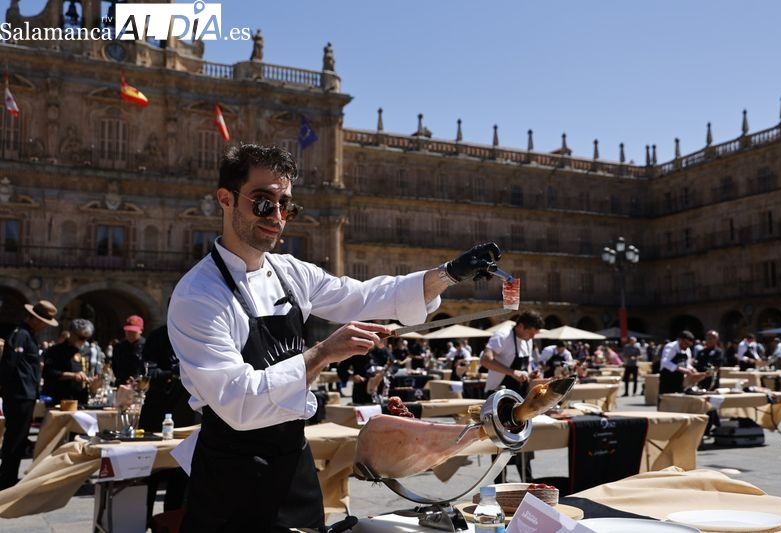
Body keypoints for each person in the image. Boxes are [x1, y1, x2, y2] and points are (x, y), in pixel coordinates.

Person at [167, 143, 504, 531]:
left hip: (294, 465)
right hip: (231, 479)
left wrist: (448, 274)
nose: (276, 216)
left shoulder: (291, 273)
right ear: (226, 199)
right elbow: (238, 402)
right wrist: (322, 353)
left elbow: (364, 296)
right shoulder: (198, 295)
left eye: (285, 205)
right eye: (262, 202)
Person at [138, 323, 200, 529]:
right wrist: (171, 373)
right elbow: (147, 371)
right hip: (157, 414)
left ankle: (171, 524)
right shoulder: (158, 337)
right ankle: (143, 520)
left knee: (180, 477)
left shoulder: (199, 332)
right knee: (150, 474)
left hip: (187, 415)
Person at [0, 300, 60, 489]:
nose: (44, 326)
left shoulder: (28, 335)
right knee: (14, 438)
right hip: (19, 394)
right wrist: (6, 388)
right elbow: (10, 365)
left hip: (25, 393)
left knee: (18, 437)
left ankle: (8, 476)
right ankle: (6, 479)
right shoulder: (21, 335)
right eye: (43, 321)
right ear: (35, 319)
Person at [479, 310, 544, 483]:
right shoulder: (502, 335)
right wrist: (512, 372)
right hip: (497, 399)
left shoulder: (527, 341)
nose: (531, 337)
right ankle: (499, 485)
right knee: (500, 445)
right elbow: (485, 360)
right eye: (530, 333)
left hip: (519, 398)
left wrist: (531, 374)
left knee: (523, 442)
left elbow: (526, 366)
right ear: (521, 326)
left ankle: (528, 483)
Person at [41, 318, 100, 406]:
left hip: (81, 400)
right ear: (71, 333)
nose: (84, 341)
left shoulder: (87, 351)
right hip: (59, 399)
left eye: (87, 338)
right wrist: (72, 375)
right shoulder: (55, 351)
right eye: (81, 338)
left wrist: (93, 382)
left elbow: (88, 372)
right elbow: (48, 373)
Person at [658, 330, 705, 396]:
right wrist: (679, 369)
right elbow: (665, 362)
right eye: (685, 343)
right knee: (665, 399)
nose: (686, 346)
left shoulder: (687, 349)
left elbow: (687, 364)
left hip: (679, 379)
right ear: (680, 340)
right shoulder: (671, 347)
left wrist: (691, 369)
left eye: (689, 345)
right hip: (667, 378)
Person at [111, 315, 147, 386]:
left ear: (141, 331)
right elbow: (115, 367)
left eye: (133, 331)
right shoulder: (119, 347)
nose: (130, 333)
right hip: (122, 384)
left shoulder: (147, 346)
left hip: (139, 385)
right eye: (128, 331)